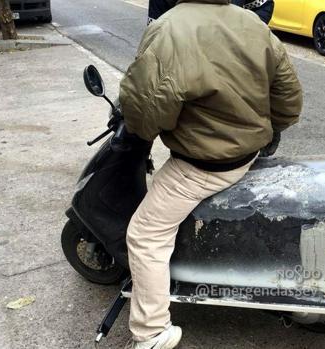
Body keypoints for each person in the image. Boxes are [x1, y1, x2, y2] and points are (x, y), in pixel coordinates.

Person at [119, 0, 303, 348]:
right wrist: (269, 129)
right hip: (247, 154)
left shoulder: (169, 28)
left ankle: (151, 332)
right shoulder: (252, 23)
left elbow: (145, 113)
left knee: (145, 235)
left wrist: (148, 128)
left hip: (202, 166)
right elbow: (289, 101)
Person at [148, 0, 274, 24]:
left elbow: (262, 5)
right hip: (182, 67)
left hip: (228, 67)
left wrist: (245, 37)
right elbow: (153, 32)